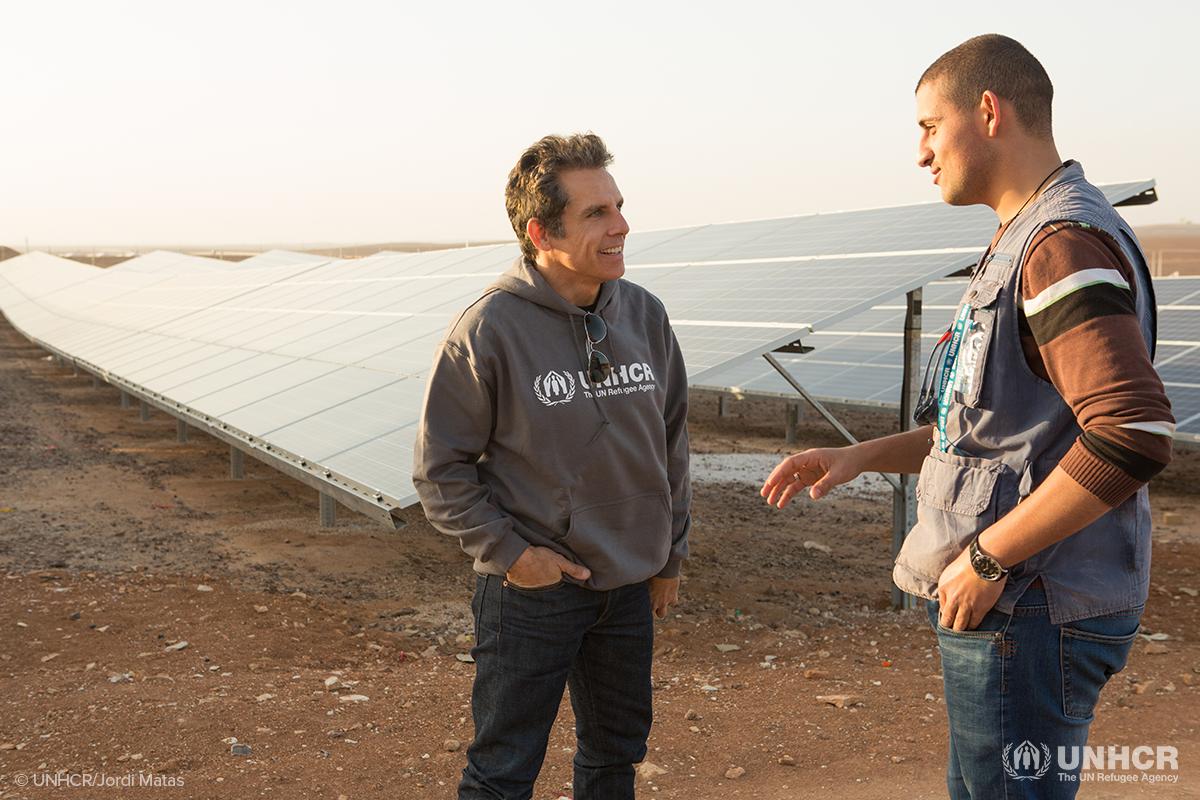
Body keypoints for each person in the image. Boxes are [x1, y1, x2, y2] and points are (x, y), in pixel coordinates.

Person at [762, 35, 1174, 799]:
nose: (921, 152)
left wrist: (988, 557)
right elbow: (999, 434)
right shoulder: (1027, 238)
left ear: (987, 111)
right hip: (1017, 603)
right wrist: (859, 456)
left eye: (928, 125)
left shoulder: (1058, 243)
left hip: (1030, 602)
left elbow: (1132, 433)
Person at [413, 132, 691, 800]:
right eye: (597, 213)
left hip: (628, 586)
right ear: (542, 230)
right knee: (503, 770)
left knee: (614, 758)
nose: (621, 225)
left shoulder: (645, 315)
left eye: (619, 206)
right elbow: (440, 469)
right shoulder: (489, 329)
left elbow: (672, 441)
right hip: (535, 592)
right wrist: (513, 554)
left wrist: (669, 553)